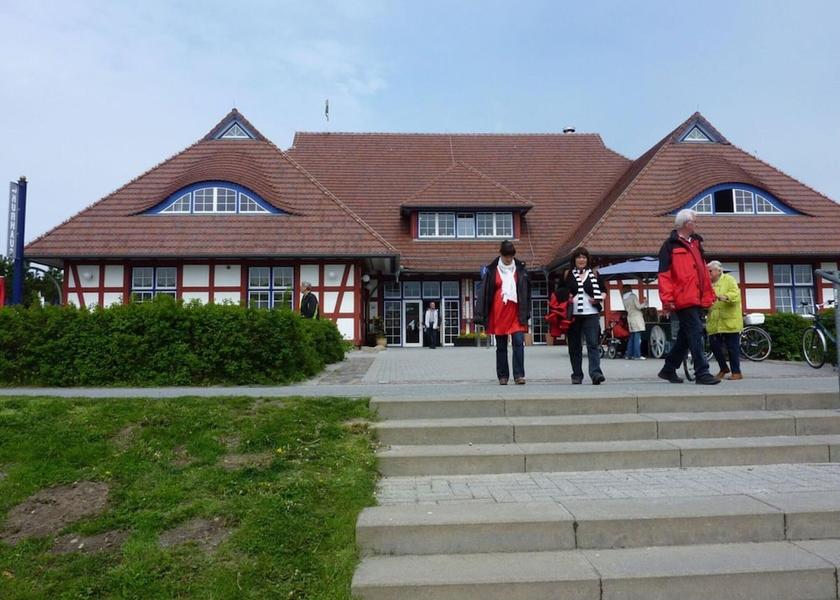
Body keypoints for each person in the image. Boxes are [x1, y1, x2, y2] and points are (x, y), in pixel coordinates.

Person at [657, 209, 719, 385]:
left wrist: (708, 294)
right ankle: (702, 372)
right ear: (686, 224)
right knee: (696, 331)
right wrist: (667, 299)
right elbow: (664, 275)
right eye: (694, 221)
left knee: (686, 334)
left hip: (696, 297)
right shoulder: (669, 246)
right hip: (683, 298)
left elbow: (703, 272)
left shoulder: (696, 243)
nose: (696, 224)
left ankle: (668, 369)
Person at [474, 240, 531, 385]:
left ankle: (519, 375)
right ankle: (503, 376)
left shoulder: (520, 269)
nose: (508, 259)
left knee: (518, 342)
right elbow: (484, 293)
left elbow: (526, 292)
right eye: (506, 256)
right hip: (498, 313)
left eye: (511, 256)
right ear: (500, 254)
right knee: (501, 346)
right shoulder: (491, 270)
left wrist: (527, 311)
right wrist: (480, 314)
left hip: (516, 313)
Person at [563, 247, 606, 385]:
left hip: (591, 313)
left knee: (593, 344)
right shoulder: (568, 274)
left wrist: (599, 298)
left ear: (587, 259)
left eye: (584, 257)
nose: (581, 260)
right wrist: (567, 295)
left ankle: (595, 373)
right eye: (579, 257)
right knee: (575, 346)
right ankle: (576, 374)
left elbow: (603, 291)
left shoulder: (594, 274)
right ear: (574, 260)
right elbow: (560, 292)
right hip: (573, 315)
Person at [707, 260, 744, 380]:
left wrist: (726, 297)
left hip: (730, 320)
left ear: (718, 271)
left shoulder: (729, 279)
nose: (708, 273)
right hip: (714, 320)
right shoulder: (708, 283)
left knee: (732, 348)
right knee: (714, 346)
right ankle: (723, 368)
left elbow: (736, 294)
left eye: (710, 271)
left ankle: (736, 372)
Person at [621, 284, 647, 360]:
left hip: (630, 317)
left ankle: (629, 354)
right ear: (630, 289)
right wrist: (645, 303)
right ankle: (637, 355)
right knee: (637, 337)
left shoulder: (624, 298)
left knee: (632, 337)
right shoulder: (633, 296)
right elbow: (638, 307)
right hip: (636, 317)